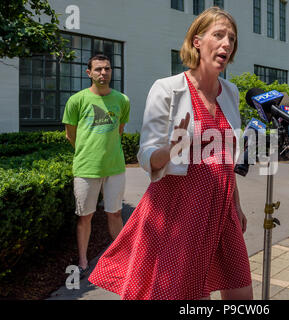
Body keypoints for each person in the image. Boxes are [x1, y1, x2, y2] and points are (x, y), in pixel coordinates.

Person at [88, 7, 253, 300]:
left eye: (232, 38)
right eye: (219, 35)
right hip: (180, 209)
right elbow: (146, 156)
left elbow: (225, 157)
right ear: (197, 41)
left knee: (241, 293)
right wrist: (174, 147)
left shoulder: (231, 92)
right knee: (188, 294)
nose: (227, 43)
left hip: (222, 206)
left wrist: (236, 204)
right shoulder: (167, 89)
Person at [62, 54, 130, 278]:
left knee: (116, 213)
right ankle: (82, 261)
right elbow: (70, 134)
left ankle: (122, 258)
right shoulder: (77, 100)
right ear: (88, 73)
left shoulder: (122, 100)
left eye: (107, 69)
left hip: (115, 167)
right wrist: (87, 151)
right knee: (85, 216)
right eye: (98, 69)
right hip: (86, 168)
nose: (103, 73)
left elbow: (119, 130)